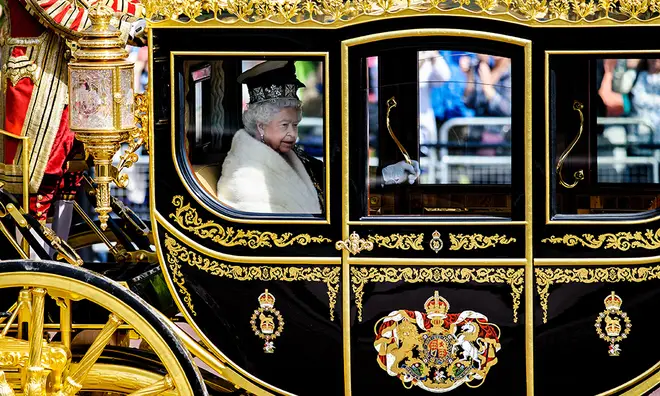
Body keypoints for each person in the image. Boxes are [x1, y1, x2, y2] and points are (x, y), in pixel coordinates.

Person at [0, 0, 146, 221]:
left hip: (80, 82)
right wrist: (126, 28)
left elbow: (97, 2)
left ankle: (57, 250)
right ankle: (36, 251)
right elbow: (55, 9)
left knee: (71, 177)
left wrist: (148, 15)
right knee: (37, 181)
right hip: (38, 81)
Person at [217, 60, 420, 214]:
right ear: (260, 125)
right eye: (284, 125)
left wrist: (385, 176)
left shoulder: (289, 155)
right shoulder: (246, 175)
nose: (292, 134)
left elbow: (334, 182)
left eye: (295, 125)